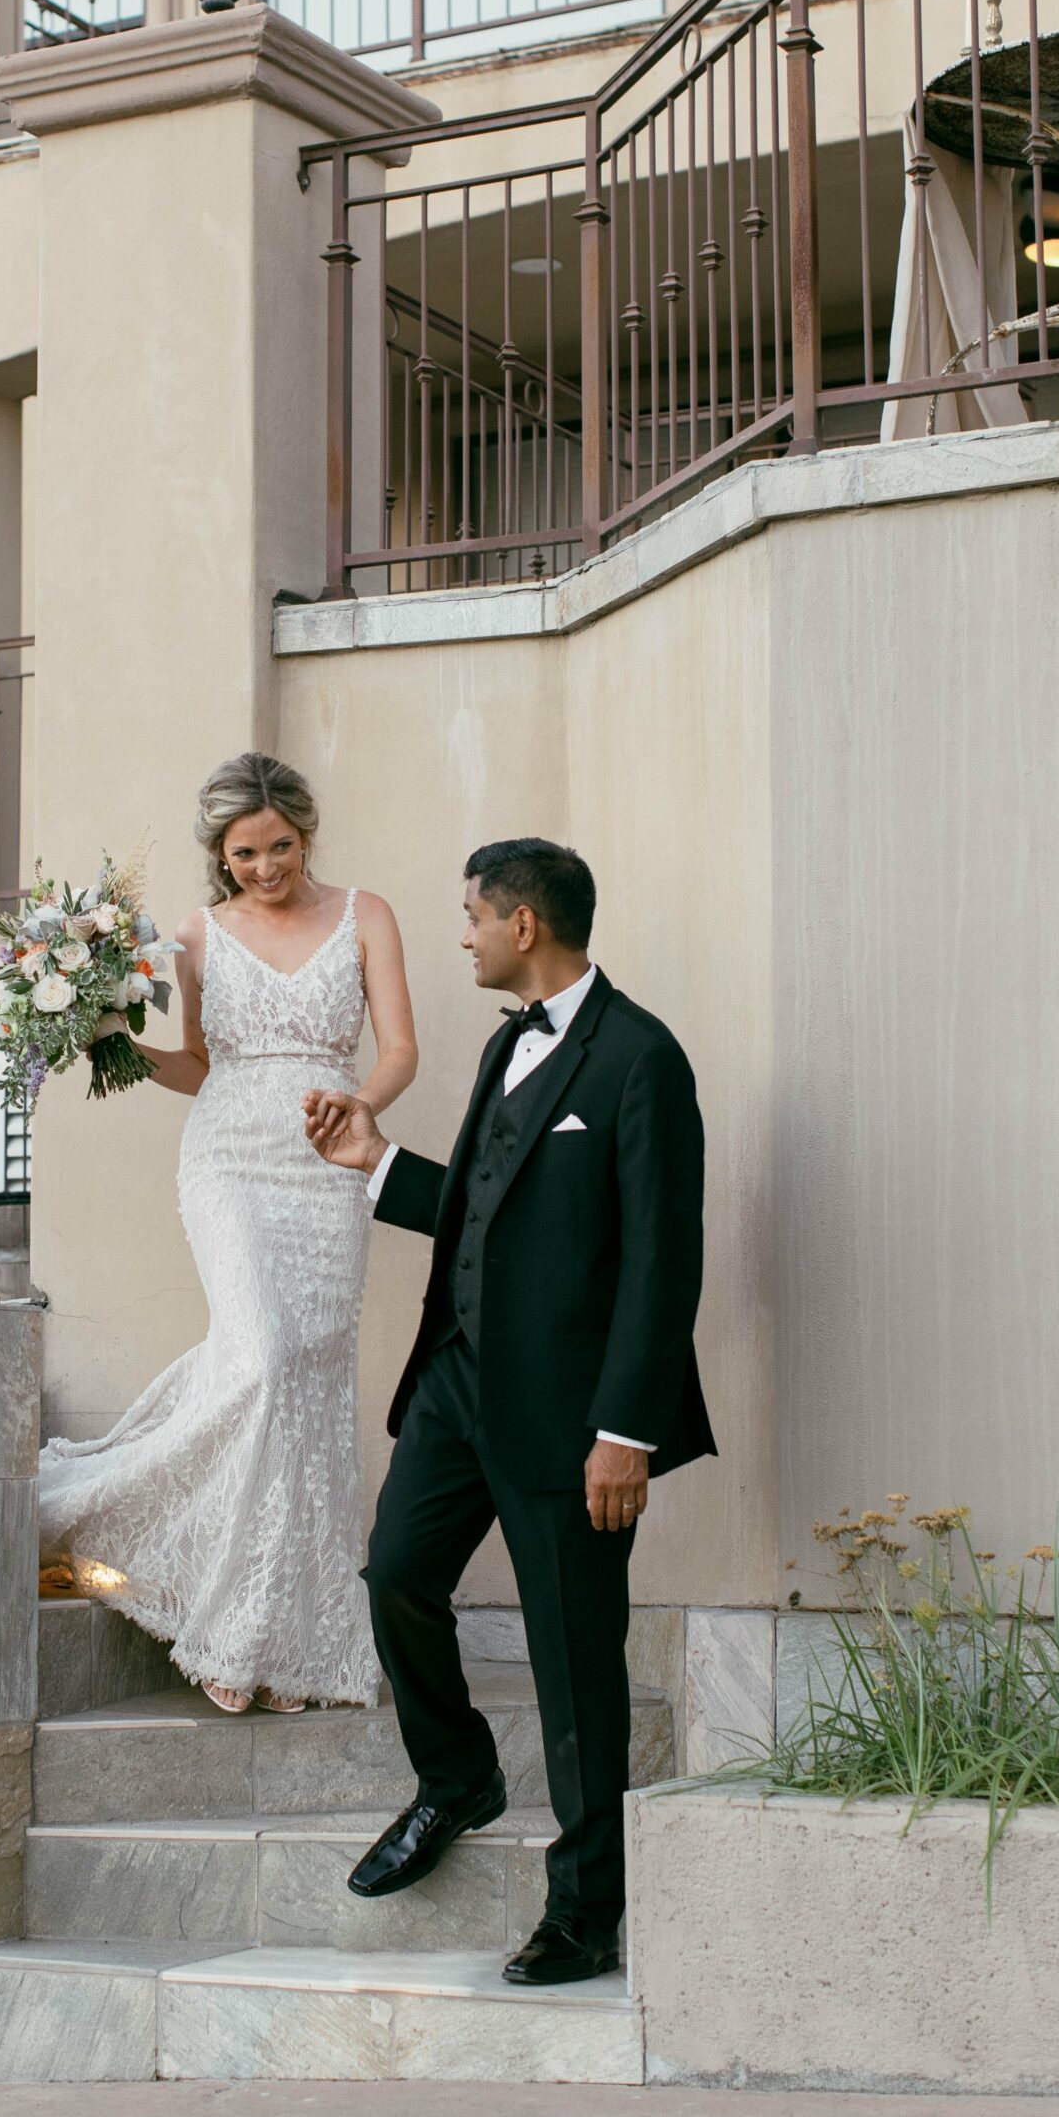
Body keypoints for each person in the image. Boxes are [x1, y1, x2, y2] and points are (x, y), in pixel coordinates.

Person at [304, 838, 714, 1982]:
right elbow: (486, 1214)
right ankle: (457, 1778)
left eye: (473, 915)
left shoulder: (640, 1059)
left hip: (575, 1419)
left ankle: (586, 1910)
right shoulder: (505, 1044)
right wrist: (374, 1162)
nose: (465, 933)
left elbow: (661, 1262)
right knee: (395, 1575)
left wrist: (625, 1430)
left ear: (524, 924)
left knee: (575, 1661)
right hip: (458, 1387)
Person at [39, 752, 418, 1714]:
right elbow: (200, 1064)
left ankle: (279, 1636)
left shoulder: (366, 914)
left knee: (309, 1384)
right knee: (260, 1360)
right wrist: (112, 1045)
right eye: (245, 853)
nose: (265, 868)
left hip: (329, 1165)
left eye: (280, 847)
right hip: (229, 1162)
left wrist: (357, 1102)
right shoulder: (194, 935)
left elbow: (401, 1049)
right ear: (222, 852)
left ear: (306, 833)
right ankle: (176, 1575)